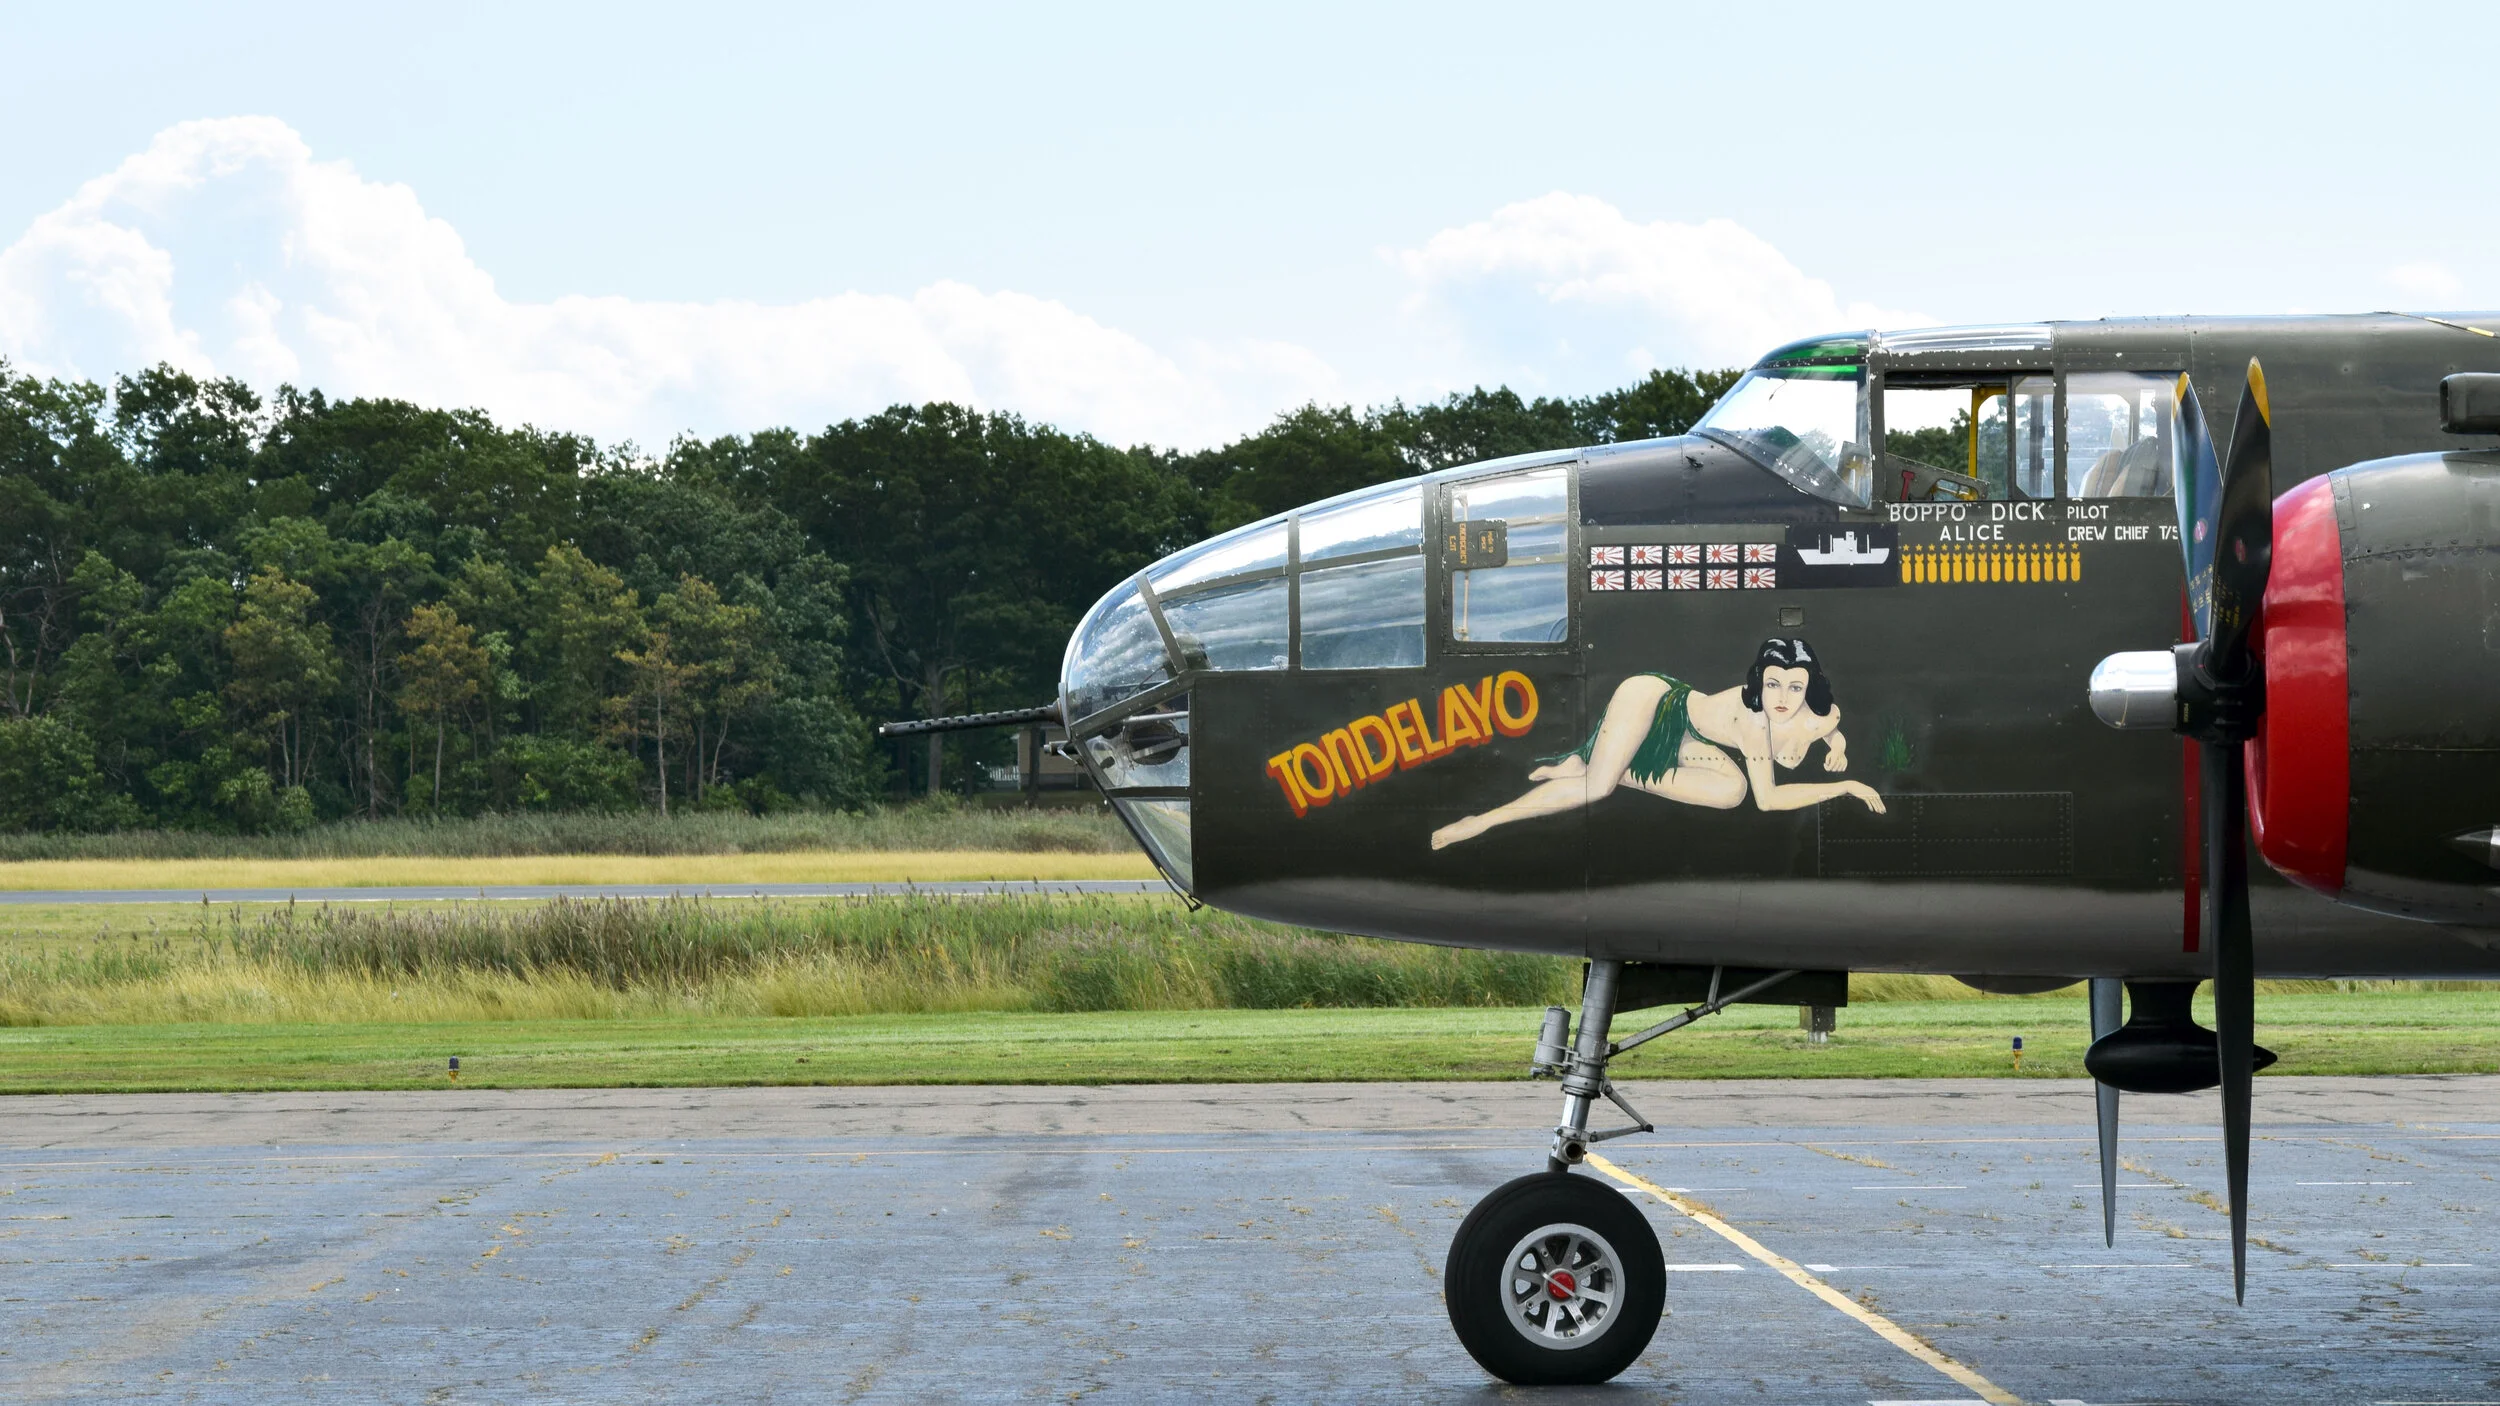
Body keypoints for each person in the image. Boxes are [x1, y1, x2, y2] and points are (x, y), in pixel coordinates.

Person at [1429, 638, 1885, 850]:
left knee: (1731, 792)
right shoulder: (1753, 722)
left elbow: (1830, 731)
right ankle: (1482, 822)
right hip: (1655, 701)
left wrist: (1838, 747)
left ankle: (1599, 762)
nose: (1781, 699)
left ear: (1812, 692)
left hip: (1690, 737)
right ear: (1758, 684)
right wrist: (1844, 785)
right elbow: (1769, 801)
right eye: (1772, 685)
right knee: (1596, 788)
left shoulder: (1826, 715)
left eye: (1794, 688)